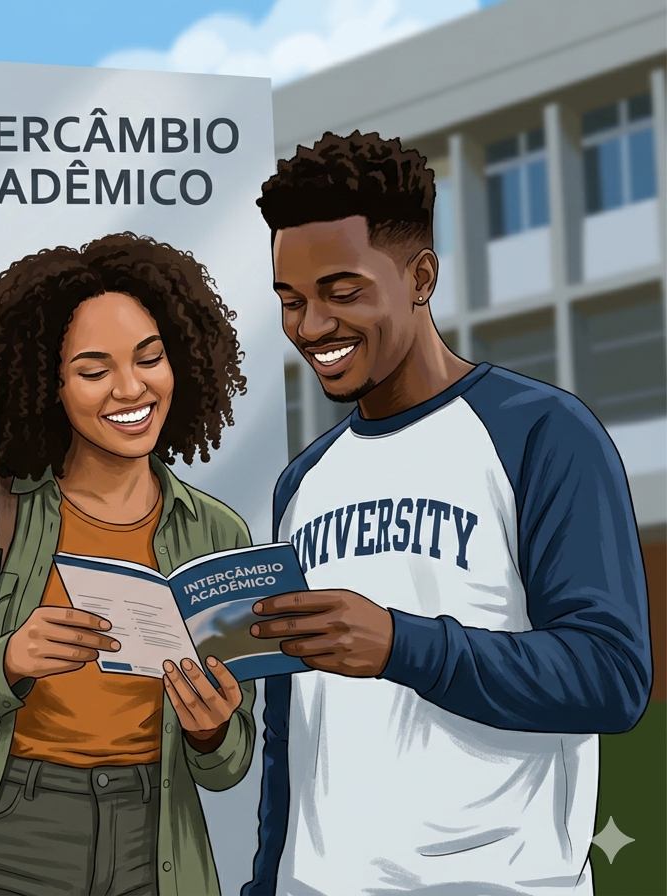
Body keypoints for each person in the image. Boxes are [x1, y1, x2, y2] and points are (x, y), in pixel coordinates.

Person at [243, 131, 652, 894]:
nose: (310, 327)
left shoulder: (542, 432)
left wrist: (402, 644)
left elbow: (613, 675)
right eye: (291, 301)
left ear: (421, 275)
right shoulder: (302, 482)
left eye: (341, 291)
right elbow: (289, 731)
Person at [0, 232, 259, 896]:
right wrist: (9, 659)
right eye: (94, 371)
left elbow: (229, 768)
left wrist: (213, 731)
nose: (131, 388)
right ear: (46, 385)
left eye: (150, 358)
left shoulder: (217, 531)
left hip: (157, 837)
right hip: (12, 833)